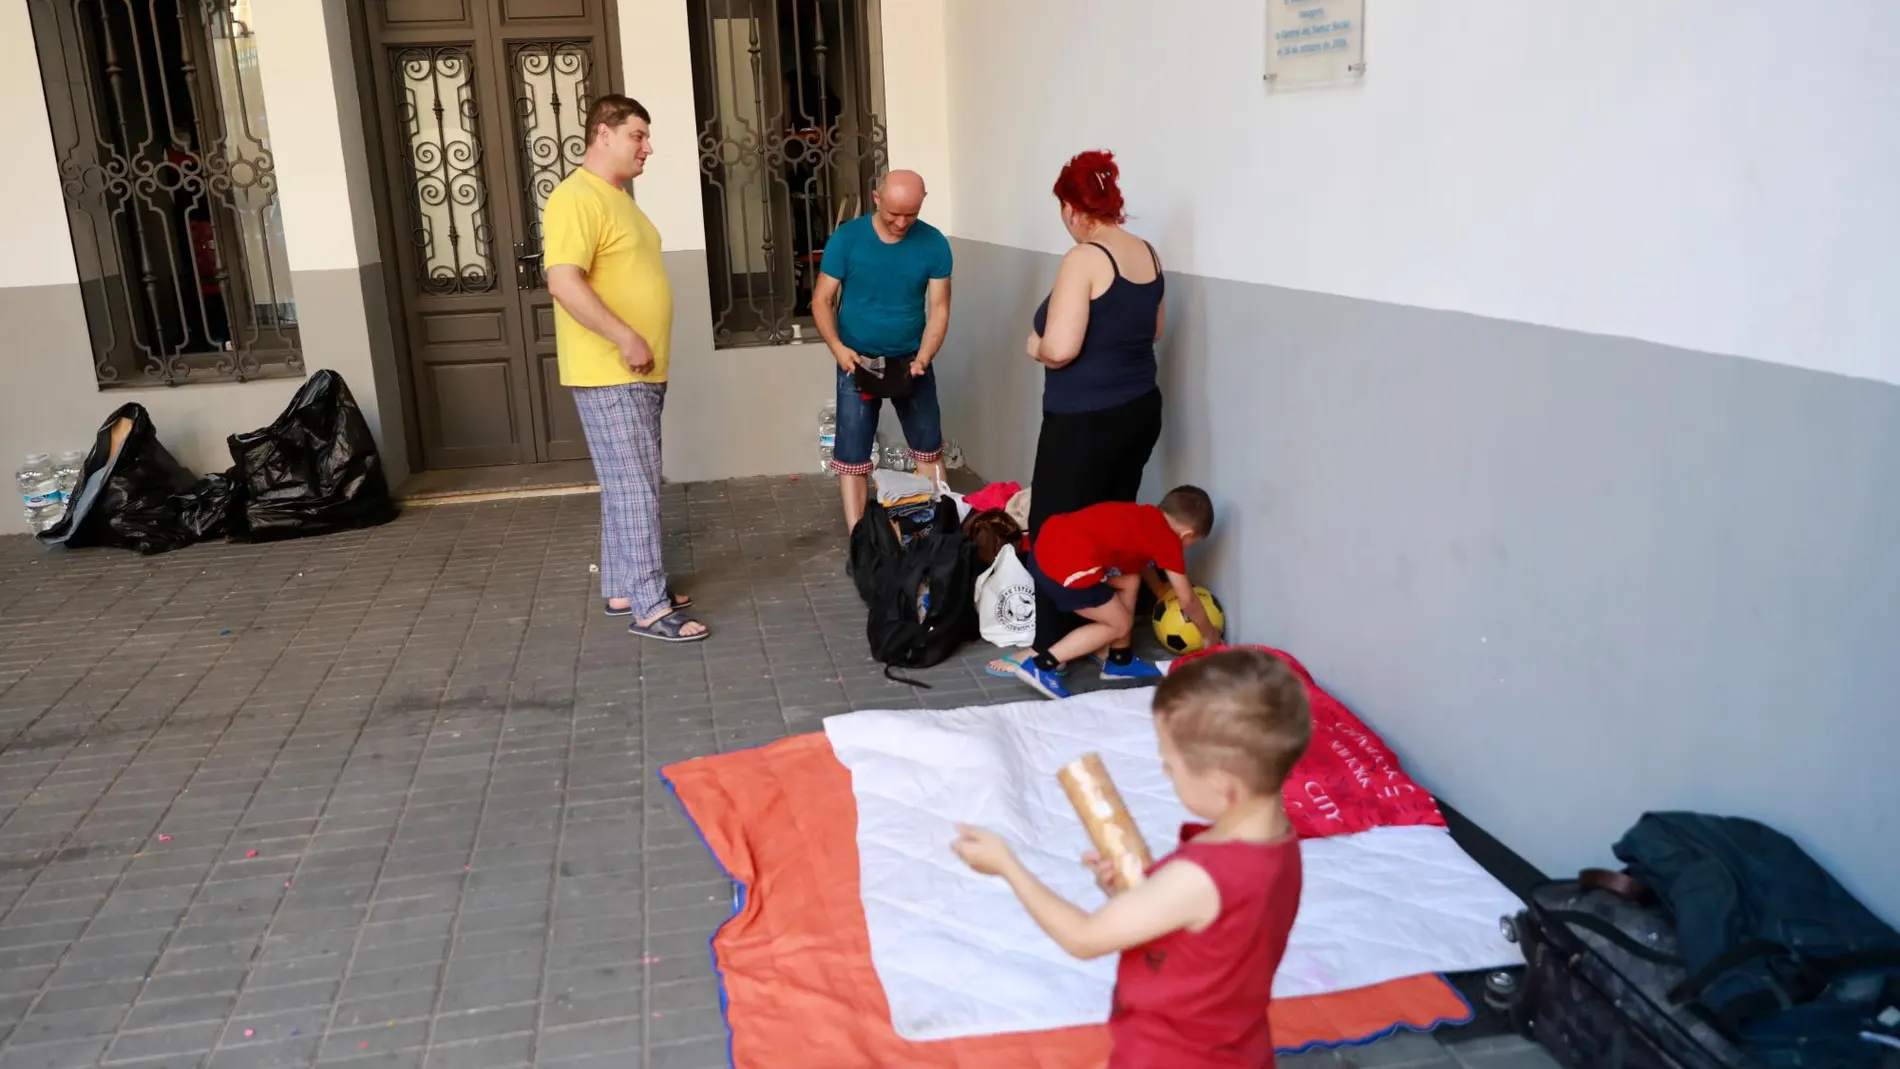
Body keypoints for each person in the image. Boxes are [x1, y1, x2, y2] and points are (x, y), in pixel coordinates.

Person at [951, 647, 1314, 1068]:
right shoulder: (1279, 843)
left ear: (1221, 784)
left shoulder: (1198, 877)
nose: (1166, 773)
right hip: (1235, 1049)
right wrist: (1128, 891)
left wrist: (1008, 866)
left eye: (1170, 765)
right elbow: (1209, 934)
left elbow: (1084, 939)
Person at [544, 94, 708, 643]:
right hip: (610, 369)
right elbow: (564, 282)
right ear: (603, 133)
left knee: (625, 484)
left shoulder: (616, 199)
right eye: (638, 135)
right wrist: (626, 336)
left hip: (635, 369)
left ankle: (623, 587)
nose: (648, 147)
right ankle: (650, 606)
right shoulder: (576, 198)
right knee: (638, 487)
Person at [1024, 150, 1171, 666]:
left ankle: (1051, 650)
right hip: (1139, 411)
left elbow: (1061, 349)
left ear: (1070, 206)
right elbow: (1150, 332)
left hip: (1085, 422)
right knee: (1114, 529)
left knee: (1052, 535)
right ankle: (1118, 647)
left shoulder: (1085, 258)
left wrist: (1034, 346)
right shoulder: (1147, 254)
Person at [811, 169, 954, 532]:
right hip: (856, 360)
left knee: (928, 449)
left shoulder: (934, 243)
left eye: (911, 214)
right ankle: (859, 537)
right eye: (893, 213)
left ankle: (937, 535)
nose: (902, 222)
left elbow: (939, 308)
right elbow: (821, 300)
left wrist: (925, 357)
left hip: (912, 361)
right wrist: (839, 349)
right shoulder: (847, 239)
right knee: (852, 457)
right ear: (877, 198)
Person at [990, 486, 1223, 700]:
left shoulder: (1144, 517)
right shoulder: (1168, 539)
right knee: (1119, 624)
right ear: (1187, 535)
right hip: (1067, 571)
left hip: (1045, 551)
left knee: (1130, 580)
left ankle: (1119, 660)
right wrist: (1209, 637)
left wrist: (1159, 589)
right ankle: (1042, 665)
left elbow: (1140, 565)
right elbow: (1187, 599)